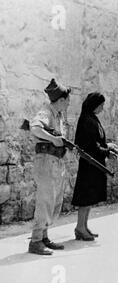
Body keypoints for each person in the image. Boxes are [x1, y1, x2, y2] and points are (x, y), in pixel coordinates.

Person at [28, 79, 71, 255]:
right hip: (46, 162)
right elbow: (34, 127)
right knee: (45, 201)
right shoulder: (46, 112)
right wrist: (53, 139)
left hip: (55, 161)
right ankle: (36, 241)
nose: (68, 103)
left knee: (54, 201)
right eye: (67, 100)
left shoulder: (58, 115)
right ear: (61, 100)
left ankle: (44, 236)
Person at [71, 92, 118, 241]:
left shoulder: (92, 119)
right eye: (101, 105)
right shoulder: (87, 120)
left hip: (94, 164)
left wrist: (108, 147)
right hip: (89, 164)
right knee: (85, 197)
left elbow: (98, 142)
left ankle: (83, 226)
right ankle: (80, 227)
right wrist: (107, 152)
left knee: (90, 197)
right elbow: (90, 146)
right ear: (95, 105)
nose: (102, 108)